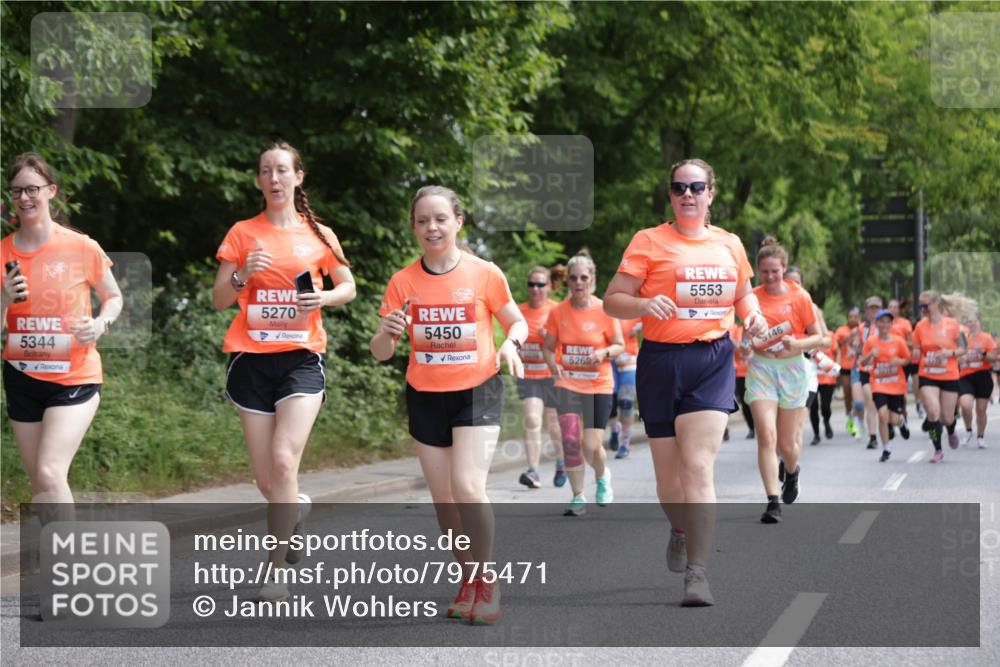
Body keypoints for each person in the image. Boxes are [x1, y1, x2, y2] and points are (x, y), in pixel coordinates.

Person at [604, 158, 767, 607]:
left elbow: (743, 295)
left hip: (711, 358)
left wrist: (752, 319)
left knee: (697, 466)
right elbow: (613, 300)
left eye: (697, 187)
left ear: (711, 193)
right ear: (671, 195)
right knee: (667, 483)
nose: (688, 194)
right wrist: (642, 305)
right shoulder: (649, 241)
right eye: (679, 187)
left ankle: (698, 573)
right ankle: (679, 527)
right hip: (659, 362)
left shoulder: (729, 244)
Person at [371, 185, 527, 625]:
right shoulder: (403, 281)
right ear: (414, 228)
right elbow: (381, 352)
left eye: (440, 218)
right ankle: (468, 579)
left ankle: (488, 581)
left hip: (477, 389)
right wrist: (386, 332)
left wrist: (511, 345)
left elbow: (517, 320)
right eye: (422, 221)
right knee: (444, 500)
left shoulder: (484, 273)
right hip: (425, 396)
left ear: (458, 221)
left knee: (467, 487)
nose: (431, 227)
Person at [214, 141, 356, 600]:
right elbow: (219, 299)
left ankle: (275, 572)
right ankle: (294, 508)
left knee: (282, 460)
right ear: (258, 181)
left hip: (301, 358)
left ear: (298, 178)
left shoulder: (320, 234)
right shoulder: (241, 232)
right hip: (251, 361)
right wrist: (241, 275)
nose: (274, 179)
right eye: (265, 171)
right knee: (267, 480)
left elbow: (348, 286)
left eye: (282, 171)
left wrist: (324, 298)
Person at [1, 152, 123, 514]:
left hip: (74, 377)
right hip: (22, 377)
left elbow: (113, 296)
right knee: (42, 484)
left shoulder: (81, 246)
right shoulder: (3, 253)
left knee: (49, 472)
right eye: (16, 191)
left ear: (51, 191)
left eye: (32, 189)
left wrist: (101, 323)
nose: (24, 198)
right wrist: (4, 297)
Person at [744, 237, 823, 524]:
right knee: (766, 435)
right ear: (758, 271)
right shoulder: (751, 297)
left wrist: (798, 344)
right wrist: (746, 343)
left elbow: (818, 336)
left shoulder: (799, 296)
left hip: (791, 370)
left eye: (775, 271)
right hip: (762, 370)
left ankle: (791, 471)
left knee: (788, 446)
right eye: (764, 272)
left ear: (784, 268)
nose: (769, 277)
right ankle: (772, 501)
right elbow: (744, 333)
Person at [543, 251, 623, 515]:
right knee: (569, 440)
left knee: (591, 445)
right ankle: (578, 496)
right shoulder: (558, 312)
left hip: (598, 384)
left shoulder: (604, 310)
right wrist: (553, 365)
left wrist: (602, 353)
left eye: (584, 278)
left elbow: (619, 345)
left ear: (593, 280)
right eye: (574, 278)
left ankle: (602, 476)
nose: (579, 283)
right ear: (568, 282)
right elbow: (548, 347)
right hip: (567, 383)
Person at [515, 265, 565, 488]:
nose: (535, 289)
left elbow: (572, 339)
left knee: (554, 424)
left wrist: (552, 338)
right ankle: (533, 471)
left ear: (549, 287)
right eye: (531, 284)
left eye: (540, 285)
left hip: (552, 374)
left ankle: (562, 463)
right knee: (533, 420)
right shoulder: (518, 311)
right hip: (528, 375)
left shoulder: (557, 310)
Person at [912, 290, 973, 463]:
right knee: (932, 412)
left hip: (948, 375)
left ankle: (951, 430)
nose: (922, 309)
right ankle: (937, 449)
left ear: (936, 305)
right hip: (928, 374)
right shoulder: (920, 327)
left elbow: (964, 349)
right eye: (920, 306)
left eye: (925, 306)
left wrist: (949, 353)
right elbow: (916, 349)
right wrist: (915, 353)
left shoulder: (953, 325)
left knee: (947, 417)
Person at [784, 266, 834, 446]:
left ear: (803, 285)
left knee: (799, 419)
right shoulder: (774, 305)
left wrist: (808, 343)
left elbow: (827, 340)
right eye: (787, 282)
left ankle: (789, 464)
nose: (792, 286)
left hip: (805, 369)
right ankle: (784, 455)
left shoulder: (812, 308)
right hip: (779, 369)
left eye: (796, 282)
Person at [859, 309, 911, 461]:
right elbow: (861, 362)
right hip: (879, 385)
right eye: (882, 321)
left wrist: (899, 362)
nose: (885, 324)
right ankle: (886, 448)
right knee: (882, 415)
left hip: (896, 385)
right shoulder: (871, 342)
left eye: (888, 321)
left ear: (891, 324)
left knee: (893, 419)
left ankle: (901, 421)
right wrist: (870, 354)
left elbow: (907, 359)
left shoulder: (898, 341)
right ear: (877, 323)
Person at [957, 312, 996, 448]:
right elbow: (955, 355)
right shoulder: (962, 338)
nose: (971, 324)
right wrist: (959, 358)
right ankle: (968, 431)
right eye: (969, 322)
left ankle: (980, 436)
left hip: (982, 376)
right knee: (966, 405)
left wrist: (983, 353)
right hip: (965, 377)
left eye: (974, 321)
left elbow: (993, 358)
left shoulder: (986, 338)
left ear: (980, 322)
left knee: (981, 408)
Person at [608, 316, 641, 458]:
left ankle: (625, 443)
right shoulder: (604, 311)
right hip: (609, 362)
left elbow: (653, 321)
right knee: (609, 404)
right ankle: (615, 428)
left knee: (626, 403)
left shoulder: (634, 310)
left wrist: (641, 327)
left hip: (628, 361)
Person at [852, 296, 883, 449]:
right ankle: (872, 436)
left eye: (877, 308)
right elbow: (858, 348)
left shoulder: (888, 327)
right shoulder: (862, 328)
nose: (874, 311)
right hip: (864, 368)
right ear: (867, 310)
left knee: (880, 406)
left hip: (883, 370)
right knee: (864, 403)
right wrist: (856, 349)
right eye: (872, 308)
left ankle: (889, 425)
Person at [834, 308, 862, 438]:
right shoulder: (841, 330)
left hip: (859, 366)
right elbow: (837, 344)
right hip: (845, 366)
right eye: (850, 317)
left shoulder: (863, 329)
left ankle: (858, 422)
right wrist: (849, 336)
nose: (853, 319)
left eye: (855, 317)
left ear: (859, 317)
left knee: (858, 399)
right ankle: (850, 417)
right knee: (847, 394)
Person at [732, 322, 756, 439]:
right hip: (740, 372)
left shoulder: (755, 330)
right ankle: (751, 428)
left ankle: (760, 426)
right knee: (745, 403)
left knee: (756, 402)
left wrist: (743, 348)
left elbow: (747, 351)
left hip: (755, 373)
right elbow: (735, 345)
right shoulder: (737, 330)